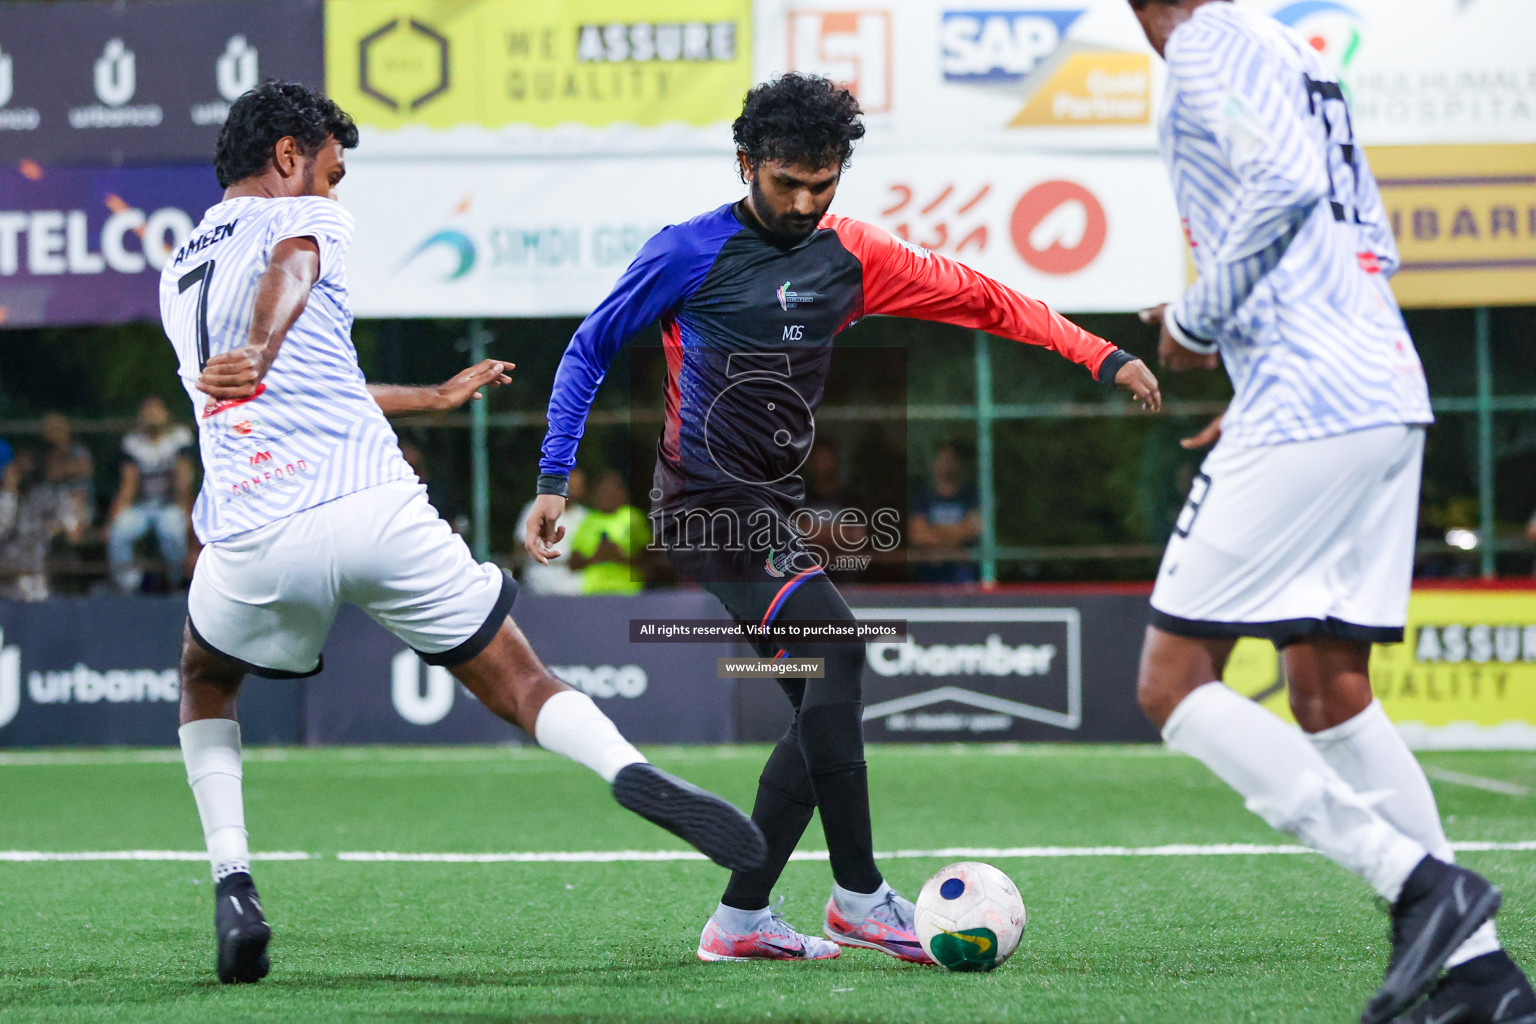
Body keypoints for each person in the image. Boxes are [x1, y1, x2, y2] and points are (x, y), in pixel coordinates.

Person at [525, 73, 1161, 965]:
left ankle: (740, 921)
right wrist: (554, 476)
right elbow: (589, 348)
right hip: (703, 506)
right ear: (746, 163)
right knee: (841, 647)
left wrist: (1099, 353)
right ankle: (859, 895)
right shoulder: (687, 253)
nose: (803, 202)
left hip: (770, 513)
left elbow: (982, 296)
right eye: (786, 182)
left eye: (823, 185)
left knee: (816, 712)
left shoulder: (852, 255)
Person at [161, 81, 764, 986]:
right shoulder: (306, 221)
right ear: (288, 156)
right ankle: (628, 768)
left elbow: (295, 386)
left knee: (206, 680)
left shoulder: (175, 270)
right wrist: (263, 340)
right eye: (332, 168)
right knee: (520, 680)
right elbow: (291, 262)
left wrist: (429, 396)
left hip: (252, 532)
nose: (336, 186)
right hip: (373, 504)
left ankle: (234, 883)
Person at [1124, 4, 1535, 1023]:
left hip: (1315, 398)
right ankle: (1483, 977)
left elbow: (1288, 186)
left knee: (1172, 683)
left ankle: (1421, 885)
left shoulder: (1205, 46)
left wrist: (1194, 319)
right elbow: (1356, 233)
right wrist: (1258, 377)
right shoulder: (1284, 43)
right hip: (1377, 382)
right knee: (1325, 682)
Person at [107, 396, 195, 591]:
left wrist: (187, 512)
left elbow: (184, 480)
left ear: (166, 414)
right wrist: (114, 516)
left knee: (172, 531)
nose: (151, 415)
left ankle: (177, 581)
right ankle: (130, 585)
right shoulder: (133, 442)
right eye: (147, 411)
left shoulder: (179, 436)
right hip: (142, 505)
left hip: (170, 504)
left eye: (156, 410)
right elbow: (128, 484)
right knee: (119, 531)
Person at [0, 447, 81, 601]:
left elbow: (74, 532)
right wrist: (10, 492)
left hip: (37, 576)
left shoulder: (52, 495)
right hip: (5, 578)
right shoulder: (5, 498)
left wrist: (54, 528)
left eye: (29, 465)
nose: (24, 471)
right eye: (18, 468)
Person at [908, 442, 981, 584]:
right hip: (930, 569)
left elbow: (973, 528)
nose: (946, 465)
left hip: (962, 569)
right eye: (942, 459)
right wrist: (954, 538)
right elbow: (918, 535)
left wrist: (935, 534)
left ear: (958, 464)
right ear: (934, 463)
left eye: (951, 460)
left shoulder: (970, 495)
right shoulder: (923, 497)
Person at [567, 468, 649, 595]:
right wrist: (596, 556)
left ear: (622, 493)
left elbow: (648, 558)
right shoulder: (587, 521)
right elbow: (573, 564)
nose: (606, 496)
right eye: (602, 492)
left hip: (628, 592)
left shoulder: (633, 518)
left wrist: (620, 556)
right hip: (593, 592)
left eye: (611, 491)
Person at [514, 467, 588, 595]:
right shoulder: (535, 508)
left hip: (575, 587)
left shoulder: (585, 516)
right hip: (537, 584)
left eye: (577, 487)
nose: (572, 491)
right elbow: (521, 548)